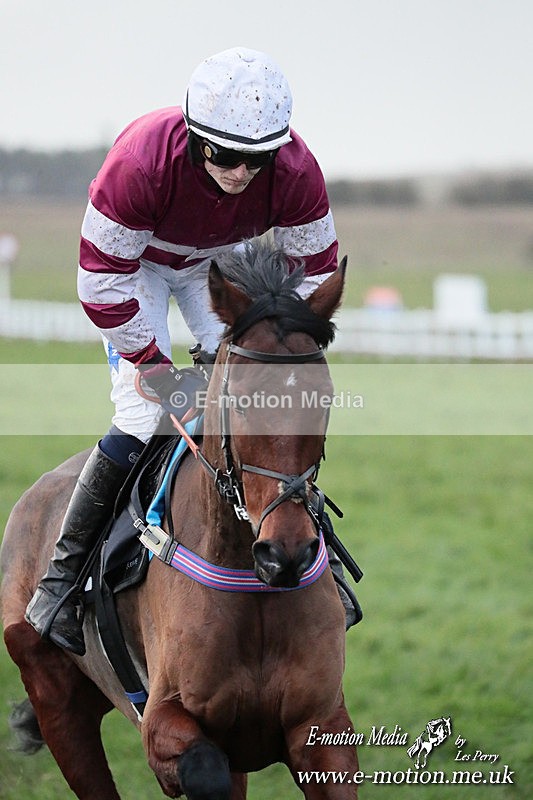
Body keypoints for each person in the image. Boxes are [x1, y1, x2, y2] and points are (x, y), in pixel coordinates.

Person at [26, 46, 355, 656]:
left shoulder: (297, 169)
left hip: (216, 265)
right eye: (225, 156)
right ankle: (61, 583)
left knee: (273, 398)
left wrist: (283, 351)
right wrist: (156, 370)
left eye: (257, 159)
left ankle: (320, 558)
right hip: (135, 269)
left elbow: (315, 273)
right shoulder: (140, 164)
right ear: (195, 135)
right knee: (144, 413)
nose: (241, 173)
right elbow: (100, 284)